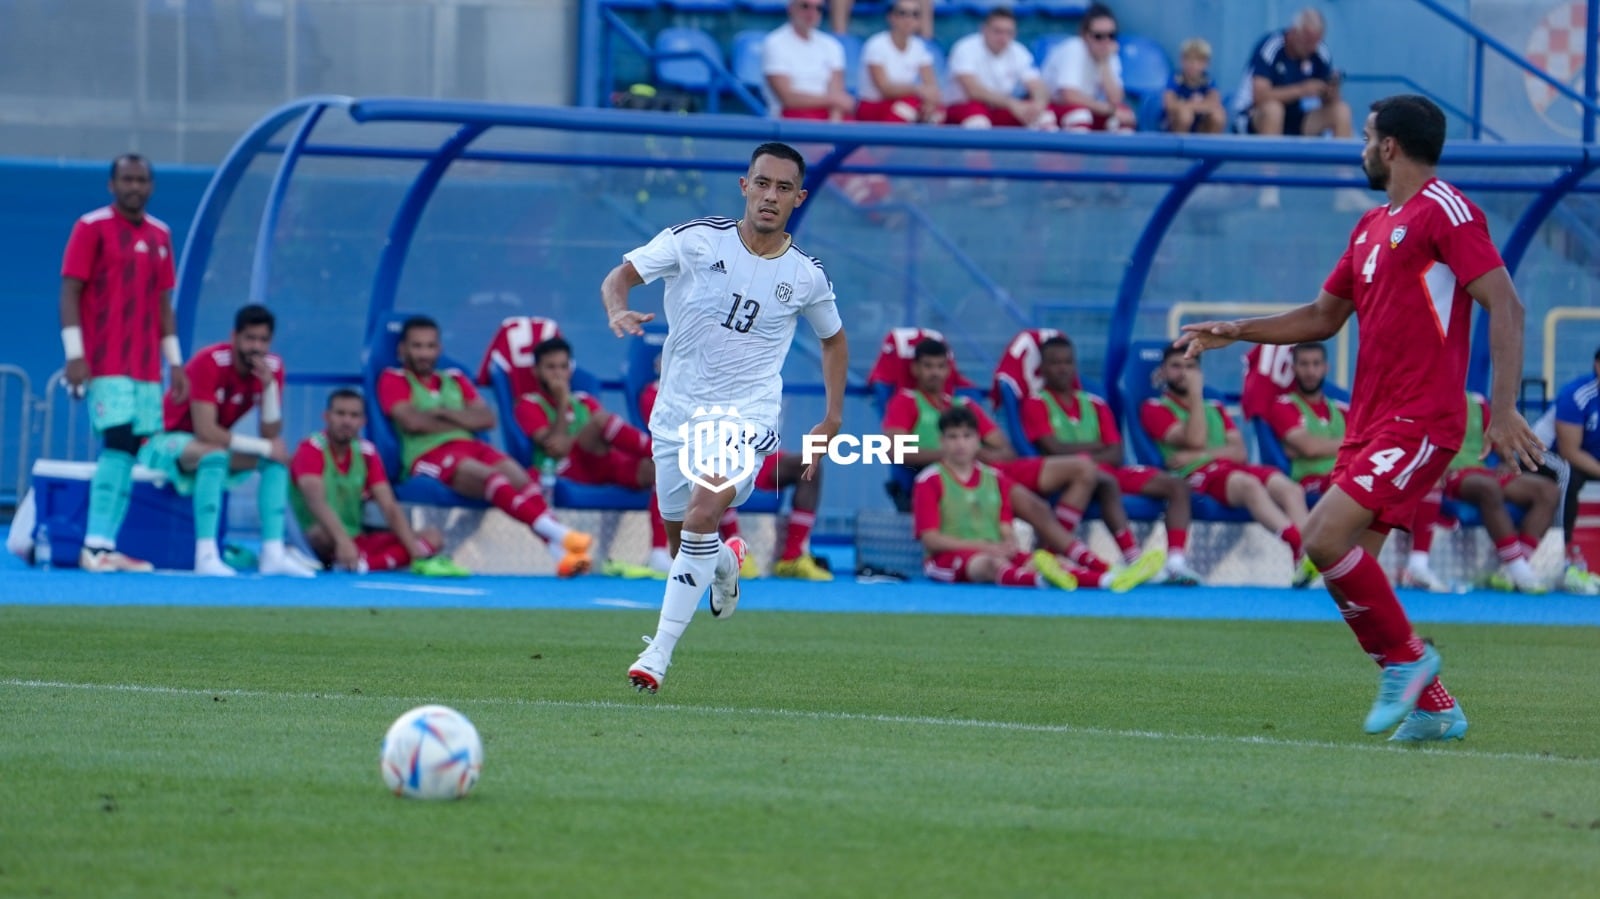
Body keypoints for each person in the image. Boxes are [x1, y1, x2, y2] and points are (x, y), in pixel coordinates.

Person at [1179, 94, 1546, 742]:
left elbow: (1506, 304)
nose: (1360, 147)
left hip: (1421, 418)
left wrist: (1505, 406)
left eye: (1367, 136)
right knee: (1349, 570)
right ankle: (1435, 705)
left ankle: (1409, 662)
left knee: (1321, 537)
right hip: (1371, 422)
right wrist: (1238, 330)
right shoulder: (1372, 227)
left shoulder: (1447, 212)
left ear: (1390, 146)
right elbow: (1323, 316)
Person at [600, 142, 850, 693]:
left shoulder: (806, 276)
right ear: (745, 185)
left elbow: (834, 341)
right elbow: (619, 277)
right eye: (762, 183)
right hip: (676, 414)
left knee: (703, 508)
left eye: (784, 188)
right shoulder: (694, 240)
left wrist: (831, 417)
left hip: (746, 414)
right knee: (682, 541)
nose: (770, 196)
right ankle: (722, 565)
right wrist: (618, 308)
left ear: (798, 198)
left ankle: (657, 655)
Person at [884, 339, 1165, 588]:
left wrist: (976, 455)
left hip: (987, 472)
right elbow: (892, 448)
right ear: (916, 370)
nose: (935, 373)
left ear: (949, 369)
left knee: (1081, 475)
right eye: (928, 366)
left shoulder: (964, 405)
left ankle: (1102, 568)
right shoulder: (906, 402)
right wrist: (952, 453)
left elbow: (1004, 450)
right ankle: (1091, 565)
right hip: (953, 475)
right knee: (1066, 484)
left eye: (941, 366)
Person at [377, 316, 593, 577]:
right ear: (402, 350)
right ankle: (561, 535)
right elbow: (412, 422)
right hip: (428, 455)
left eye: (430, 346)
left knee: (517, 475)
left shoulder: (455, 378)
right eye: (417, 346)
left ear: (439, 349)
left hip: (469, 446)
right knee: (491, 477)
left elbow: (486, 418)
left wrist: (439, 414)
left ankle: (559, 553)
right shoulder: (393, 378)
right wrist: (461, 419)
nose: (424, 353)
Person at [59, 153, 189, 573]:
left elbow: (163, 304)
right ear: (111, 185)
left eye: (142, 180)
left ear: (151, 186)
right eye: (127, 179)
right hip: (105, 362)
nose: (135, 187)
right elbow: (70, 292)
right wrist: (75, 355)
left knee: (130, 451)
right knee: (116, 444)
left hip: (147, 367)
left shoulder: (161, 234)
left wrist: (176, 363)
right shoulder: (91, 226)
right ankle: (95, 544)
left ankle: (105, 544)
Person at [137, 304, 318, 577]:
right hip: (163, 441)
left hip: (207, 445)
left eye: (263, 340)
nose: (256, 347)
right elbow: (206, 430)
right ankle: (206, 555)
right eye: (249, 338)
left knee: (274, 463)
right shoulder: (209, 361)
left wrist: (269, 389)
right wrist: (266, 447)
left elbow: (270, 433)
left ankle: (273, 553)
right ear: (234, 337)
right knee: (215, 454)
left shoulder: (273, 368)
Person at [1022, 335, 1204, 584]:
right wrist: (1095, 448)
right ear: (1042, 368)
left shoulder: (1096, 404)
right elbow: (1052, 448)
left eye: (1068, 362)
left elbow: (1116, 453)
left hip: (1108, 471)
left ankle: (1175, 564)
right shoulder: (1036, 403)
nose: (1062, 368)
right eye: (1055, 362)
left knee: (1177, 485)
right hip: (1067, 477)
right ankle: (1131, 558)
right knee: (1103, 478)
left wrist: (1079, 451)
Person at [1141, 346, 1315, 585]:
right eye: (1176, 366)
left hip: (1229, 468)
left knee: (1289, 488)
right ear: (1163, 371)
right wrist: (1195, 395)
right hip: (1196, 476)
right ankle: (1300, 544)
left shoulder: (1215, 407)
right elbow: (1194, 438)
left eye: (1190, 367)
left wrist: (1198, 453)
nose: (1184, 373)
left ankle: (1305, 559)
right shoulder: (1155, 407)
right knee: (1249, 485)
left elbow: (1239, 452)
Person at [640, 378, 833, 581]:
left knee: (809, 464)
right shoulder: (658, 393)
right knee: (717, 465)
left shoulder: (726, 376)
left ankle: (790, 559)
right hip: (708, 454)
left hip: (750, 451)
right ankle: (737, 549)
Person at [513, 336, 665, 578]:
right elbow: (557, 449)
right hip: (564, 469)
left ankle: (659, 553)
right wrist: (563, 402)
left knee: (660, 470)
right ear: (536, 371)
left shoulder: (584, 401)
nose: (558, 374)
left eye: (563, 367)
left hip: (602, 465)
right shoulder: (529, 404)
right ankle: (665, 451)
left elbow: (608, 440)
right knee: (601, 421)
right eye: (550, 367)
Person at [289, 388, 465, 576]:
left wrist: (415, 552)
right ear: (326, 416)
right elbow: (317, 502)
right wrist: (343, 541)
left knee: (433, 537)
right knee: (321, 534)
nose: (346, 421)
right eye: (340, 414)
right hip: (318, 538)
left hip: (356, 538)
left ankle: (362, 565)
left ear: (362, 421)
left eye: (354, 415)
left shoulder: (367, 453)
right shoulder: (310, 448)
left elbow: (388, 506)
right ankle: (368, 560)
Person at [1405, 392, 1557, 594]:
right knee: (1488, 487)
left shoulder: (1477, 402)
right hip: (1447, 471)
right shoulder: (1422, 397)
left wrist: (1505, 461)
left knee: (1548, 491)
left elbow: (1496, 440)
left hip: (1480, 470)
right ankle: (1518, 568)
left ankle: (1514, 567)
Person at [914, 407, 1079, 590]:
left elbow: (1005, 527)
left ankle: (1104, 578)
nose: (960, 444)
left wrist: (1010, 543)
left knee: (1057, 563)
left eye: (967, 436)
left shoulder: (994, 478)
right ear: (942, 441)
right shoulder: (929, 480)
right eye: (953, 437)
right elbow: (931, 540)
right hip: (950, 558)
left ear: (978, 440)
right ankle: (1039, 581)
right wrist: (983, 547)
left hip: (994, 551)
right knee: (990, 564)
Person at [1229, 7, 1364, 210]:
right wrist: (1301, 90)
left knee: (1341, 111)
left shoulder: (1319, 52)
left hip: (1293, 118)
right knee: (1274, 109)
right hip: (1254, 118)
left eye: (1316, 41)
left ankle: (1345, 190)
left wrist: (1330, 91)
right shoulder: (1271, 47)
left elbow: (1331, 102)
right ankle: (1269, 186)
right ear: (1294, 32)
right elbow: (1260, 96)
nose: (1312, 47)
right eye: (1308, 41)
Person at [1543, 347, 1600, 593]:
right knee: (1569, 475)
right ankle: (1561, 553)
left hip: (1589, 460)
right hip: (1542, 456)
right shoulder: (1577, 394)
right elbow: (1569, 451)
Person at [945, 8, 1054, 131]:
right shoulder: (965, 48)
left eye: (1009, 32)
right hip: (963, 108)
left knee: (1044, 116)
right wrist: (1013, 104)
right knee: (978, 120)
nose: (1003, 37)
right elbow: (973, 91)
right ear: (984, 30)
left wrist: (1038, 104)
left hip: (1000, 108)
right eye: (998, 31)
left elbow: (1037, 85)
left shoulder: (1019, 51)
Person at [1264, 342, 1347, 497]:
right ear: (1294, 368)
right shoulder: (1284, 405)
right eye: (1304, 364)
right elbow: (1310, 448)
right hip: (1310, 483)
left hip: (1343, 477)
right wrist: (1348, 444)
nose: (1310, 371)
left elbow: (1367, 446)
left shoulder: (1342, 409)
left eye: (1316, 364)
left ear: (1325, 368)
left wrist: (1317, 446)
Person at [1043, 3, 1135, 133]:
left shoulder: (1110, 55)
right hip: (1054, 108)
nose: (1105, 41)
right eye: (1098, 36)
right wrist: (1110, 110)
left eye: (1111, 35)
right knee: (1080, 116)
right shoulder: (1073, 48)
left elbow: (1115, 100)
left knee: (1125, 117)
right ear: (1085, 36)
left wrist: (1104, 63)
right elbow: (1069, 96)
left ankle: (1120, 154)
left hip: (1089, 107)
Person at [763, 1, 855, 121]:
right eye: (805, 6)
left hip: (827, 113)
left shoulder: (831, 45)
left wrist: (834, 124)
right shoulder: (774, 43)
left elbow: (837, 91)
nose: (812, 13)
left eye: (819, 9)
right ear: (791, 8)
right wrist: (833, 100)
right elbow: (788, 99)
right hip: (791, 115)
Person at [856, 3, 944, 124]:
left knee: (937, 112)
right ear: (891, 17)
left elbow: (931, 85)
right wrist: (919, 90)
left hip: (900, 102)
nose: (909, 19)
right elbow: (885, 89)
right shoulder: (876, 45)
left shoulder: (919, 46)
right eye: (903, 13)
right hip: (873, 105)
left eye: (915, 15)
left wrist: (930, 101)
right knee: (908, 106)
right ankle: (885, 142)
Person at [1164, 37, 1225, 134]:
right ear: (1182, 60)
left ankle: (1210, 146)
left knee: (1218, 115)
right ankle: (1180, 146)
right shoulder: (1176, 79)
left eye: (1199, 61)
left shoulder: (1208, 81)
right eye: (1189, 59)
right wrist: (1189, 107)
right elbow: (1169, 104)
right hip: (1175, 124)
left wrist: (1191, 106)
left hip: (1201, 123)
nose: (1193, 64)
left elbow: (1215, 102)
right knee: (1185, 115)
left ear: (1207, 63)